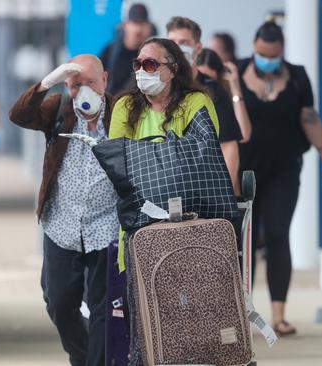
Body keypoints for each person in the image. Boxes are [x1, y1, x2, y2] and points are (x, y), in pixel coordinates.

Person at [109, 37, 220, 366]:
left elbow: (202, 159)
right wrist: (164, 162)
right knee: (145, 325)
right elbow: (117, 165)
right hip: (139, 230)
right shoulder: (125, 107)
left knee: (190, 323)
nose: (143, 71)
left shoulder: (196, 103)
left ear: (173, 70)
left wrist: (148, 163)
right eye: (138, 64)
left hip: (189, 227)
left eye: (151, 64)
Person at [237, 21, 322, 336]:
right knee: (242, 243)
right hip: (245, 171)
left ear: (282, 52)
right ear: (254, 47)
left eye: (272, 55)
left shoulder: (297, 77)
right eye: (261, 53)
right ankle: (242, 313)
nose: (266, 60)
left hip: (284, 169)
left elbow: (309, 119)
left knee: (277, 234)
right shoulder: (238, 72)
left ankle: (279, 315)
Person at [9, 54, 117, 366]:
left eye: (91, 83)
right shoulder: (59, 109)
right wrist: (47, 83)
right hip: (62, 223)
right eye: (75, 85)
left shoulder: (122, 112)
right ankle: (83, 356)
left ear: (105, 80)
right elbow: (18, 115)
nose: (84, 92)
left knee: (104, 309)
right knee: (58, 301)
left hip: (106, 224)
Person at [165, 16, 244, 193]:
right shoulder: (157, 89)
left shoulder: (212, 91)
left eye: (184, 42)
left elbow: (228, 146)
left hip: (205, 190)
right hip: (167, 190)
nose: (177, 47)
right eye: (172, 42)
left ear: (198, 48)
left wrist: (225, 195)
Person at [195, 48, 252, 143]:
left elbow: (244, 134)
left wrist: (235, 89)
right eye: (200, 78)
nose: (205, 85)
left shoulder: (223, 96)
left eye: (209, 79)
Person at [99, 3, 154, 95]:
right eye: (135, 23)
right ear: (125, 25)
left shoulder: (153, 55)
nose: (138, 29)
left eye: (142, 23)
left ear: (149, 27)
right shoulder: (109, 51)